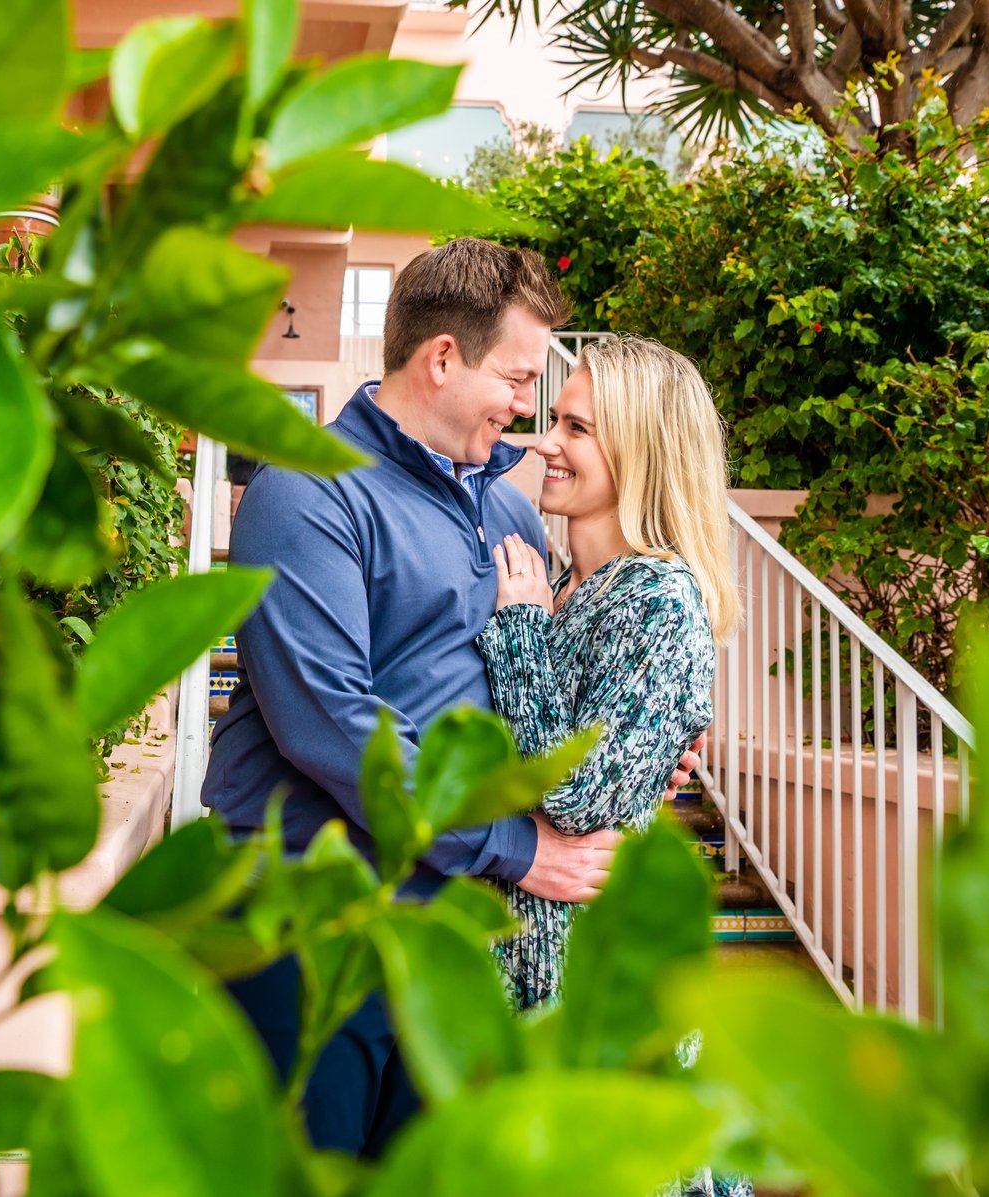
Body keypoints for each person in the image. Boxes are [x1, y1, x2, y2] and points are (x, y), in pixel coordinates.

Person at [202, 240, 699, 1156]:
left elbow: (538, 687)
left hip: (461, 938)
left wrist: (638, 752)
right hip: (310, 916)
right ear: (441, 359)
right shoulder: (306, 493)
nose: (526, 410)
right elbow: (330, 722)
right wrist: (519, 846)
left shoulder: (509, 512)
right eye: (517, 378)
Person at [478, 333, 743, 1196]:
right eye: (553, 418)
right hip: (532, 959)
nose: (547, 441)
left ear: (641, 449)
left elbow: (578, 792)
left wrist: (518, 627)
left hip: (591, 977)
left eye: (577, 427)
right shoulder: (566, 583)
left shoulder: (659, 597)